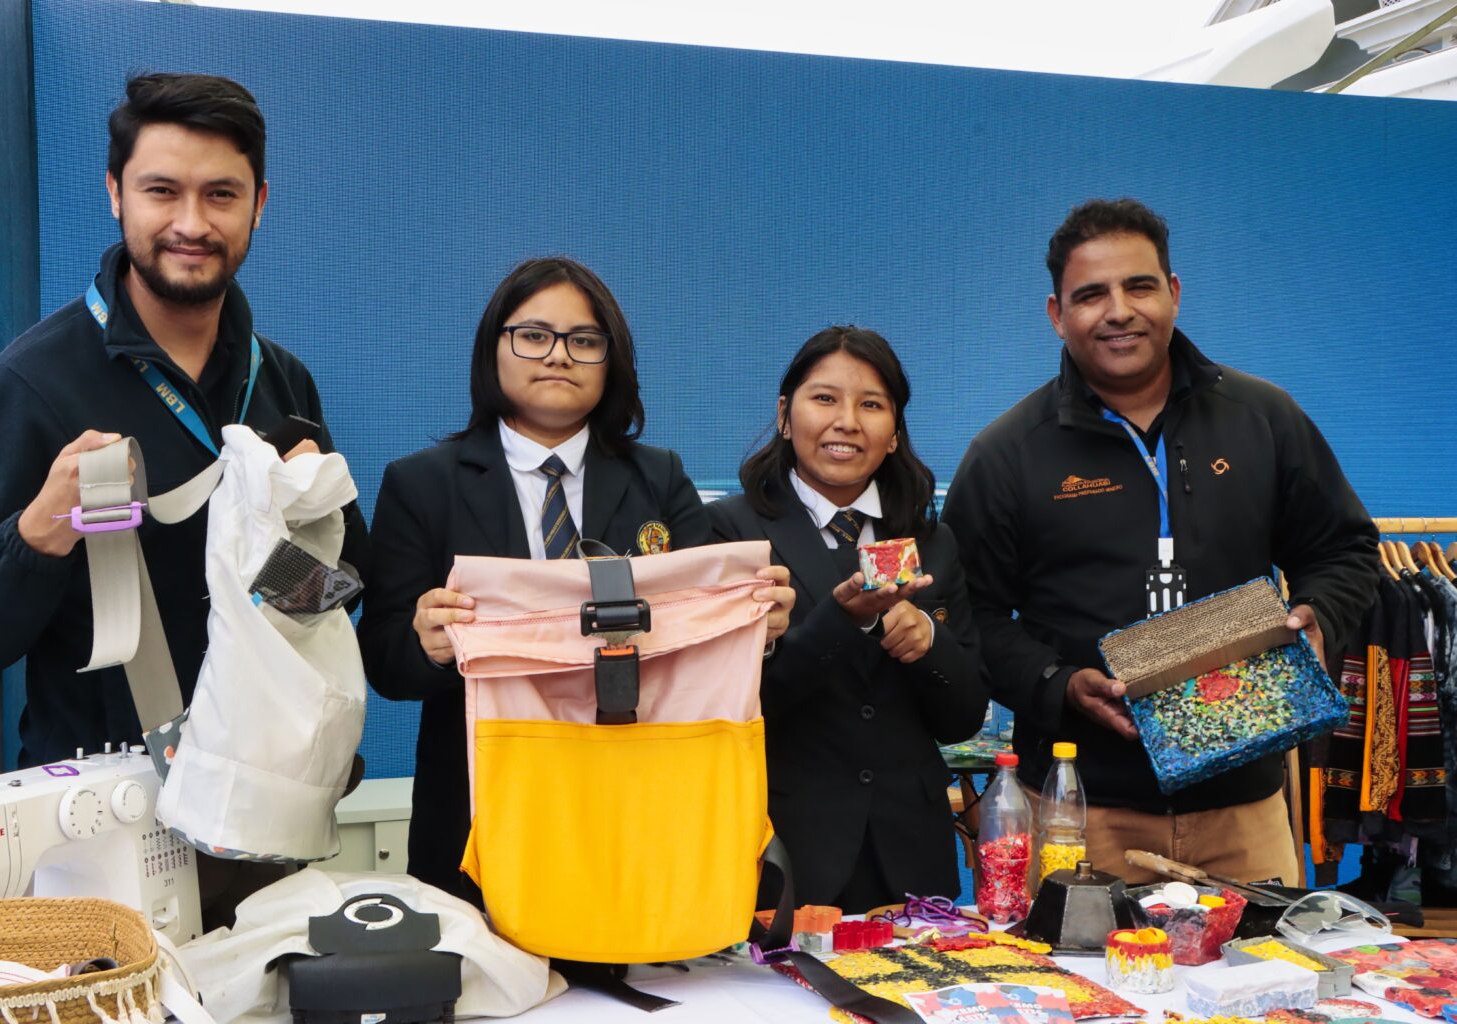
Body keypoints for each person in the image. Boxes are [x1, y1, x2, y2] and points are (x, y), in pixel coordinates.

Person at [0, 72, 366, 769]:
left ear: (259, 205)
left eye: (220, 194)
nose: (191, 224)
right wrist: (41, 529)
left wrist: (292, 534)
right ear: (115, 194)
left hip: (263, 799)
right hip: (102, 814)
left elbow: (337, 600)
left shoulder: (281, 382)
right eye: (162, 191)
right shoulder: (32, 385)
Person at [942, 198, 1378, 886]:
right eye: (1091, 295)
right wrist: (1059, 684)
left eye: (1139, 286)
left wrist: (1318, 616)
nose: (1119, 310)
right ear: (1057, 315)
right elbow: (971, 615)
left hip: (1247, 810)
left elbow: (1344, 549)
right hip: (1078, 811)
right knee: (1075, 995)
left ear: (1173, 294)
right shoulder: (1006, 454)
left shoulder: (1262, 418)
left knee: (1270, 988)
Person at [357, 255, 795, 900]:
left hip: (638, 794)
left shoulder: (659, 477)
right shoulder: (422, 483)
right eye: (534, 335)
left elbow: (698, 629)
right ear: (494, 348)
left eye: (584, 341)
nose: (558, 355)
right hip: (484, 802)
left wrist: (757, 629)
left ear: (610, 362)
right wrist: (424, 643)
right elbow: (383, 659)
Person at [709, 325, 987, 912]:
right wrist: (843, 620)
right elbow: (733, 705)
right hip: (782, 844)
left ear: (893, 433)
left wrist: (929, 642)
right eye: (825, 398)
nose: (847, 422)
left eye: (871, 405)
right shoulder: (730, 534)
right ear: (785, 415)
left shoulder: (932, 541)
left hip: (911, 852)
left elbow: (963, 718)